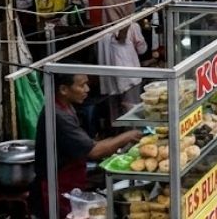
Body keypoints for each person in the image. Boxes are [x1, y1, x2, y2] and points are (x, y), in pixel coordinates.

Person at [33, 73, 142, 216]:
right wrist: (126, 136)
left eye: (87, 84)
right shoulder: (58, 116)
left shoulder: (67, 107)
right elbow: (94, 151)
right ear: (64, 90)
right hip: (56, 187)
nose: (87, 89)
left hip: (72, 181)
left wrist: (114, 144)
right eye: (81, 85)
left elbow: (87, 144)